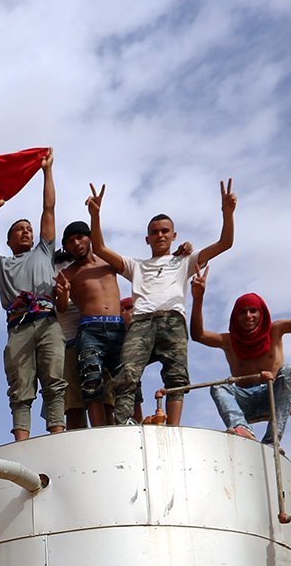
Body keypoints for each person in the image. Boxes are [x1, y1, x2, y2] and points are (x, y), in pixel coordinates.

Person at [84, 179, 235, 426]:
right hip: (142, 321)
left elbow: (224, 243)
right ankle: (124, 424)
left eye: (165, 231)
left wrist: (227, 213)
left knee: (176, 375)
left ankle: (174, 428)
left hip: (173, 318)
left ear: (174, 235)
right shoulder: (136, 265)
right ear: (147, 239)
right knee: (128, 373)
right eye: (155, 232)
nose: (160, 235)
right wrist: (95, 215)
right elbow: (100, 248)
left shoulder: (184, 261)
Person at [188, 254, 291, 441]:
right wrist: (198, 298)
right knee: (218, 386)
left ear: (262, 312)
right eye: (242, 312)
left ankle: (272, 439)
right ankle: (241, 427)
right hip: (243, 402)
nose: (248, 316)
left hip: (272, 398)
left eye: (253, 310)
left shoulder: (275, 330)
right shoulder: (229, 341)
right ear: (235, 317)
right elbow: (198, 335)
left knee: (290, 370)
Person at [0, 151, 63, 441]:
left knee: (54, 381)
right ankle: (22, 444)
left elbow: (48, 209)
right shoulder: (2, 265)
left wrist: (46, 172)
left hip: (48, 321)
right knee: (21, 387)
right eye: (19, 230)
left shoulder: (44, 251)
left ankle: (56, 435)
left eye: (28, 229)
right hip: (19, 327)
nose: (26, 232)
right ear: (10, 241)